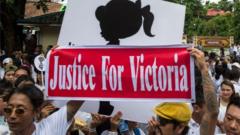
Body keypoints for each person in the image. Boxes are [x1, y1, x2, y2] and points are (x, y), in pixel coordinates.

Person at [3, 84, 84, 135]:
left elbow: (81, 95)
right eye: (8, 110)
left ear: (36, 111)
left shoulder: (51, 127)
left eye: (20, 111)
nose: (12, 116)